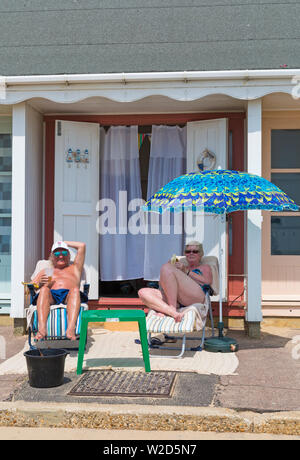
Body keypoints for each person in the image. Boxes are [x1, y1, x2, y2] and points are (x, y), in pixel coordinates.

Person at [138, 241, 212, 323]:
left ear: (201, 254)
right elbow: (162, 285)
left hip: (196, 297)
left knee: (166, 268)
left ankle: (172, 308)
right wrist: (171, 270)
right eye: (188, 251)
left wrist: (186, 271)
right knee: (143, 292)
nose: (191, 253)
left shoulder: (205, 267)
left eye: (195, 251)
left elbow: (207, 282)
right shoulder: (179, 267)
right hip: (178, 299)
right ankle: (173, 313)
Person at [31, 241, 86, 340]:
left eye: (64, 253)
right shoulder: (48, 271)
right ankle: (42, 329)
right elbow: (30, 286)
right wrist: (38, 284)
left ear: (69, 255)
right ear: (52, 256)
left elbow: (82, 246)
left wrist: (63, 243)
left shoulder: (75, 268)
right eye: (57, 253)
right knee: (44, 289)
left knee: (75, 289)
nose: (60, 256)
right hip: (52, 296)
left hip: (69, 295)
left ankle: (70, 328)